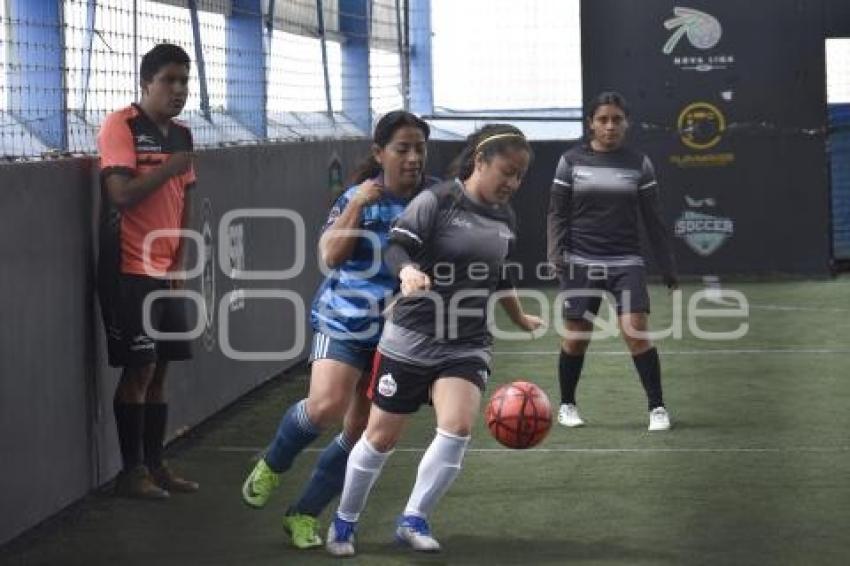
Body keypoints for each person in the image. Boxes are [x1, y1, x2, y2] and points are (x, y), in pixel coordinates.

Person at [325, 124, 544, 557]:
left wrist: (518, 316)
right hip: (411, 336)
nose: (513, 184)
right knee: (380, 437)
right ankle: (344, 523)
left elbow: (498, 273)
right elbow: (396, 248)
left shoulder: (507, 216)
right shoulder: (437, 201)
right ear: (480, 162)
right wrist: (407, 271)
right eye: (506, 171)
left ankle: (413, 518)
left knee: (458, 427)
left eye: (520, 176)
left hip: (466, 341)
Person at [241, 111, 435, 548]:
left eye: (419, 148)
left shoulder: (436, 199)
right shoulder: (359, 196)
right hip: (345, 320)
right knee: (325, 406)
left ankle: (304, 514)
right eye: (402, 148)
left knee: (361, 433)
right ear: (379, 152)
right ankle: (274, 462)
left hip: (398, 335)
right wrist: (356, 204)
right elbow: (329, 255)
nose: (412, 157)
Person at [97, 43, 199, 499]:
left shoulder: (182, 134)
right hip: (127, 266)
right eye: (169, 80)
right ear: (146, 82)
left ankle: (157, 467)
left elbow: (185, 197)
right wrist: (170, 168)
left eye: (184, 81)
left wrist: (178, 261)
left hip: (164, 269)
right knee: (138, 369)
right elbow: (119, 195)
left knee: (161, 370)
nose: (178, 90)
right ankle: (130, 473)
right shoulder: (121, 125)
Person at [546, 91, 678, 432]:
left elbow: (653, 218)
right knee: (576, 336)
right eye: (602, 119)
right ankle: (567, 405)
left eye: (616, 120)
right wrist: (555, 253)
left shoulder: (639, 163)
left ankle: (657, 408)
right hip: (580, 260)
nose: (609, 126)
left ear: (626, 123)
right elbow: (557, 215)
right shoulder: (570, 162)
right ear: (591, 123)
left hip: (626, 262)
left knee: (636, 331)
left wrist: (667, 265)